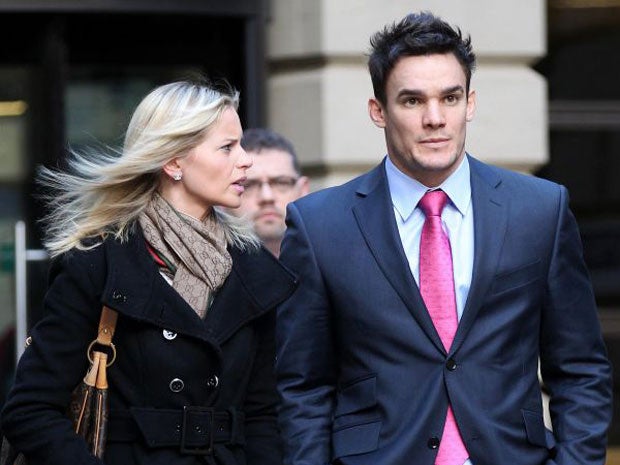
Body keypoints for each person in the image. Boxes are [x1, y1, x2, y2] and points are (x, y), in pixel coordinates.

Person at [275, 11, 612, 465]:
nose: (435, 118)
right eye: (412, 101)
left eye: (449, 98)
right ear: (379, 110)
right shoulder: (319, 225)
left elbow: (580, 367)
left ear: (469, 103)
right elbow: (304, 386)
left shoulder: (539, 210)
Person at [1, 79, 297, 465]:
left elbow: (262, 417)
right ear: (173, 162)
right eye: (227, 147)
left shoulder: (252, 269)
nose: (245, 160)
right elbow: (30, 410)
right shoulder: (98, 263)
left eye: (240, 144)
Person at [230, 128, 309, 257]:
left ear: (303, 190)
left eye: (281, 182)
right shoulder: (209, 271)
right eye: (248, 185)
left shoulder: (331, 264)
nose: (267, 197)